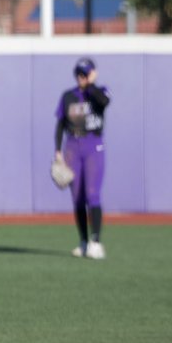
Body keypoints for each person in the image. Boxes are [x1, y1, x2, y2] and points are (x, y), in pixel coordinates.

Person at [55, 57, 111, 260]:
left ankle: (96, 242)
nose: (82, 77)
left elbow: (104, 102)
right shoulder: (68, 96)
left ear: (92, 74)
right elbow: (61, 124)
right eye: (79, 73)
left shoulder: (99, 92)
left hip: (93, 145)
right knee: (77, 198)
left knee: (92, 194)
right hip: (73, 146)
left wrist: (91, 84)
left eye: (85, 73)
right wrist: (58, 150)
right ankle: (84, 242)